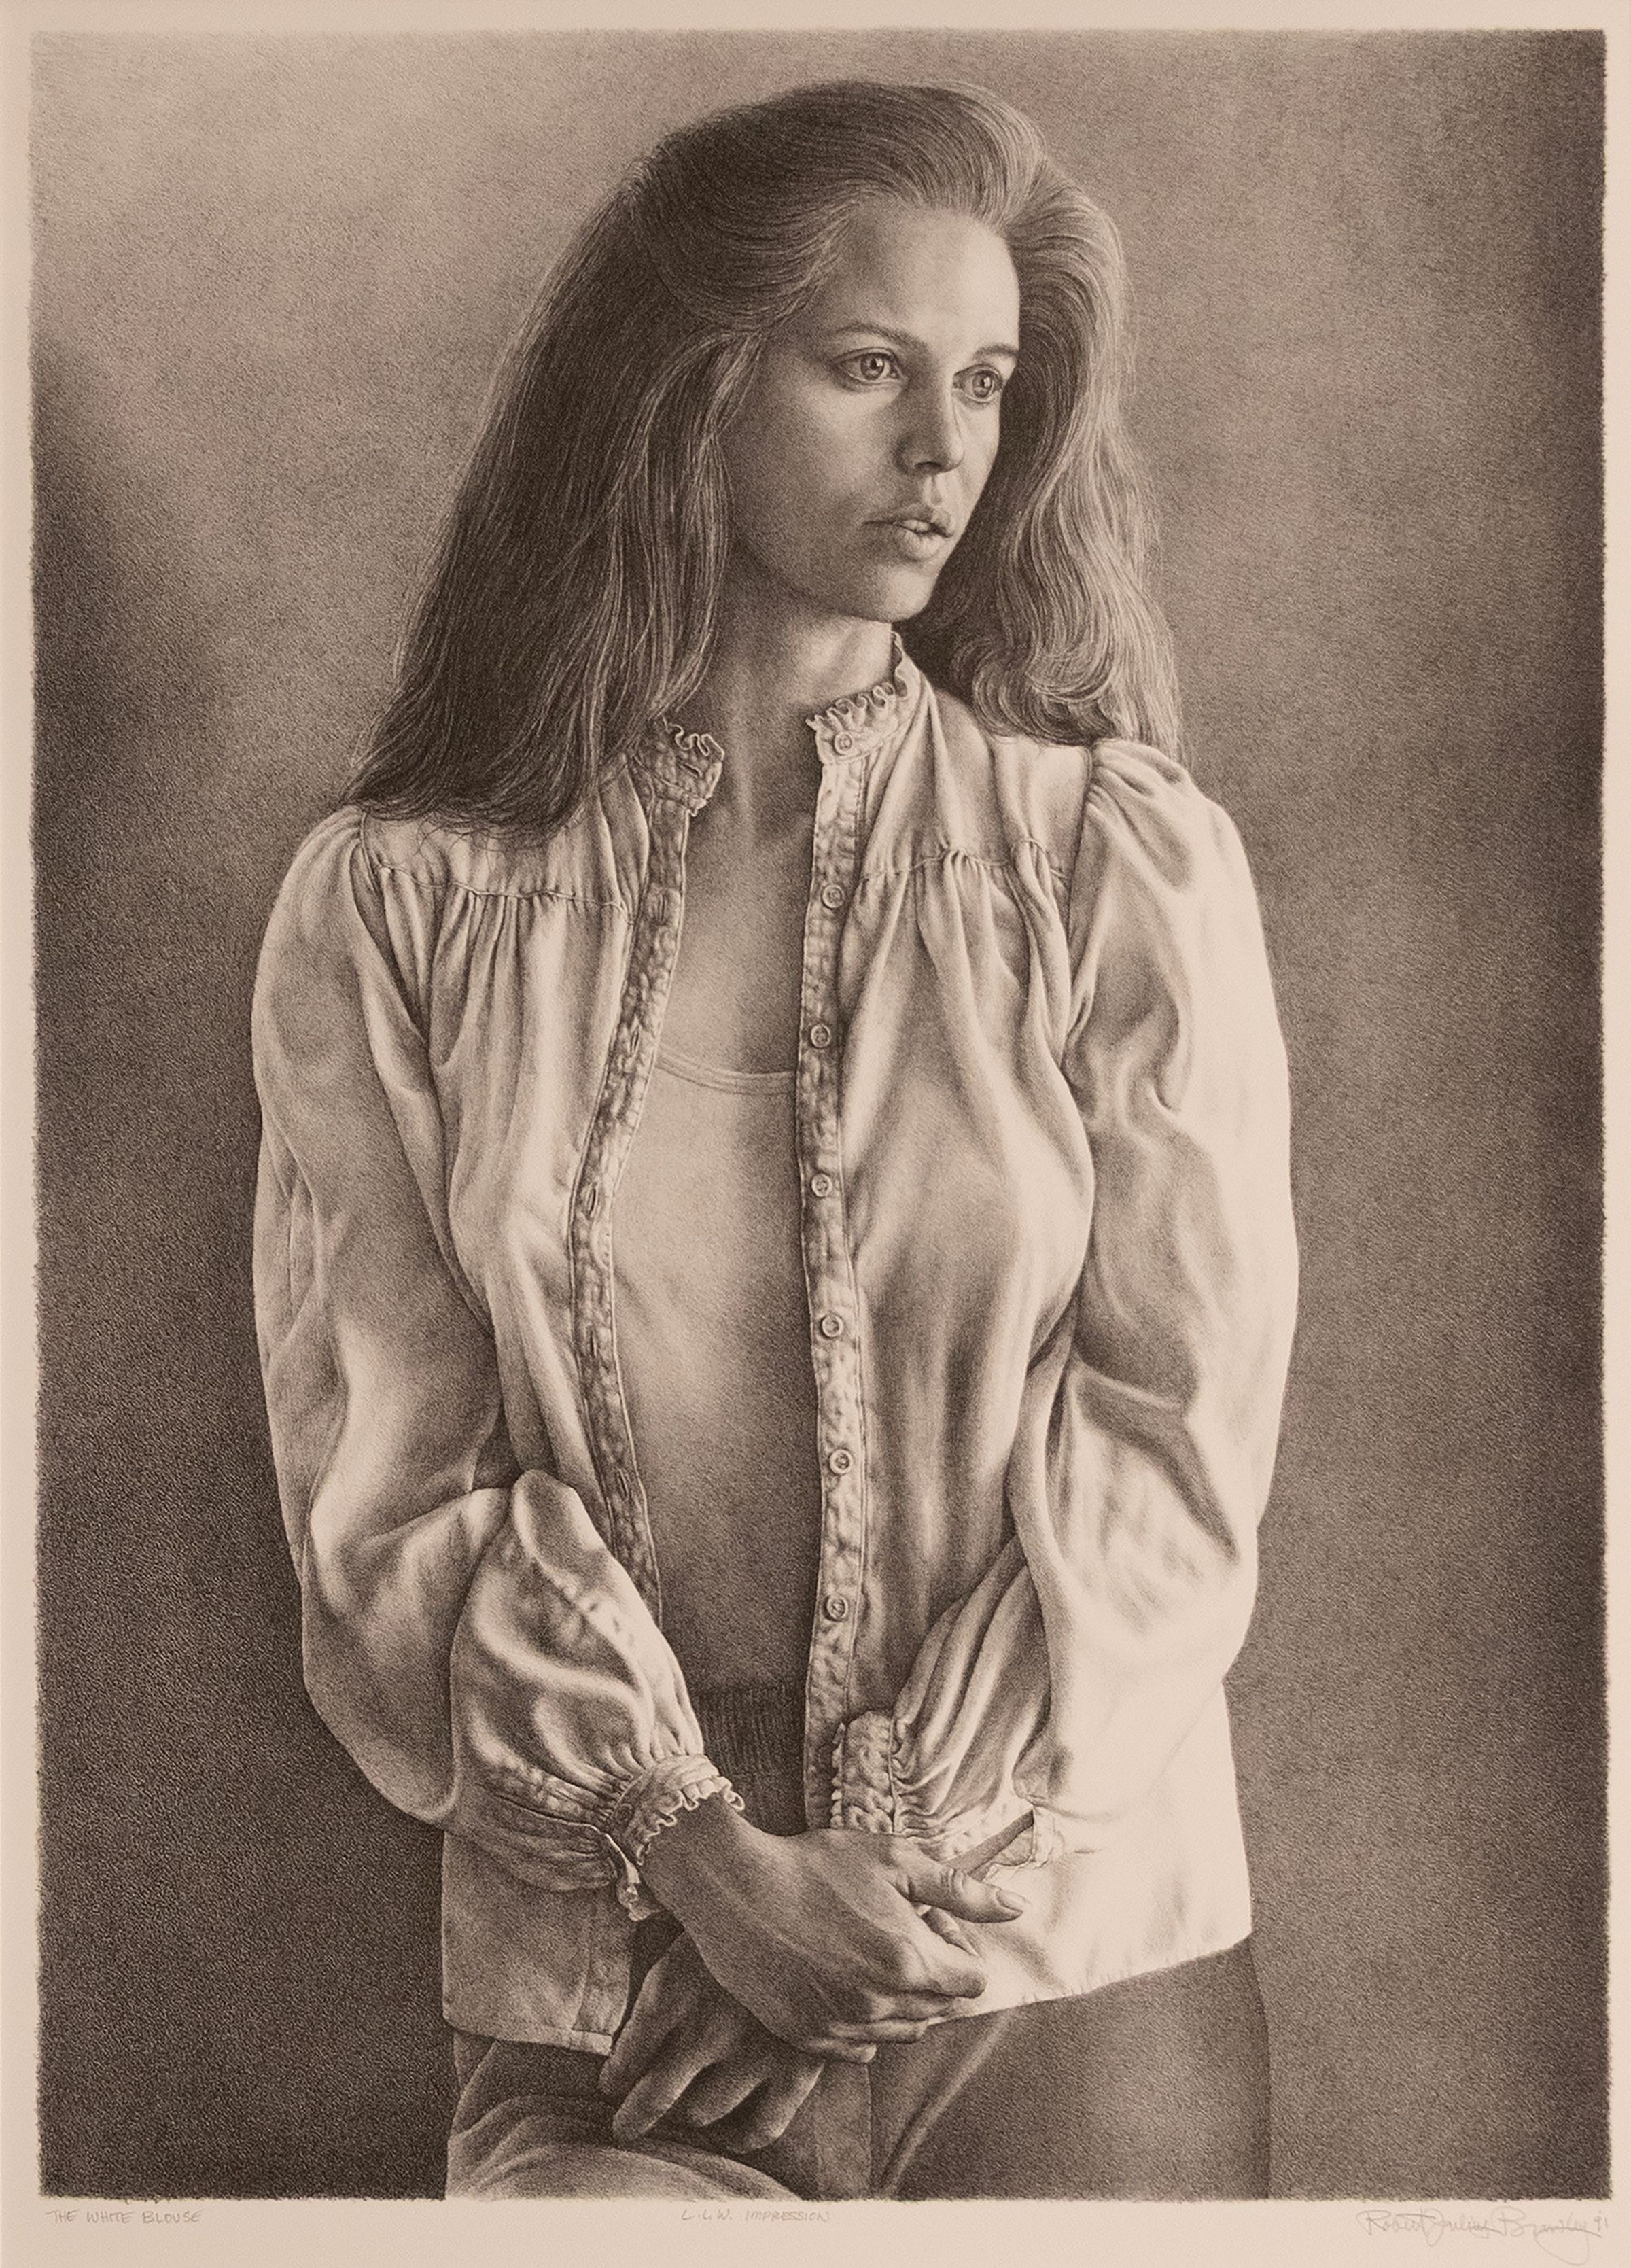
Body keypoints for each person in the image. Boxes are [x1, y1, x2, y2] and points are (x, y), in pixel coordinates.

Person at [251, 77, 1299, 2201]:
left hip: (1066, 1962)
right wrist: (703, 1855)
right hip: (610, 1977)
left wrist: (872, 1877)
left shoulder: (1109, 864)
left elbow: (1174, 1447)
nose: (943, 453)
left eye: (984, 385)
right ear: (690, 391)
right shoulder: (404, 906)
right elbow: (387, 1496)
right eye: (869, 368)